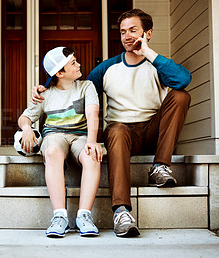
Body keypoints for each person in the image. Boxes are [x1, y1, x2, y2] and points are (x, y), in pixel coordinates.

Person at [31, 9, 191, 237]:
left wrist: (147, 52)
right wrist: (44, 89)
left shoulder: (158, 64)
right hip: (122, 134)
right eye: (123, 32)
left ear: (148, 33)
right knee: (115, 129)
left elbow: (183, 80)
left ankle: (160, 167)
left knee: (181, 95)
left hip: (154, 132)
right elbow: (75, 88)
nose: (127, 36)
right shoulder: (107, 68)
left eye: (133, 31)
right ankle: (122, 212)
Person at [18, 46, 103, 237]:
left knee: (92, 156)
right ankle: (60, 217)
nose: (79, 64)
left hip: (80, 137)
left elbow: (92, 113)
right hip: (55, 137)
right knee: (52, 152)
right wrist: (26, 129)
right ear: (59, 72)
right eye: (73, 63)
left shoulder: (86, 86)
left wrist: (92, 141)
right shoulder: (45, 94)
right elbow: (24, 117)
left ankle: (84, 216)